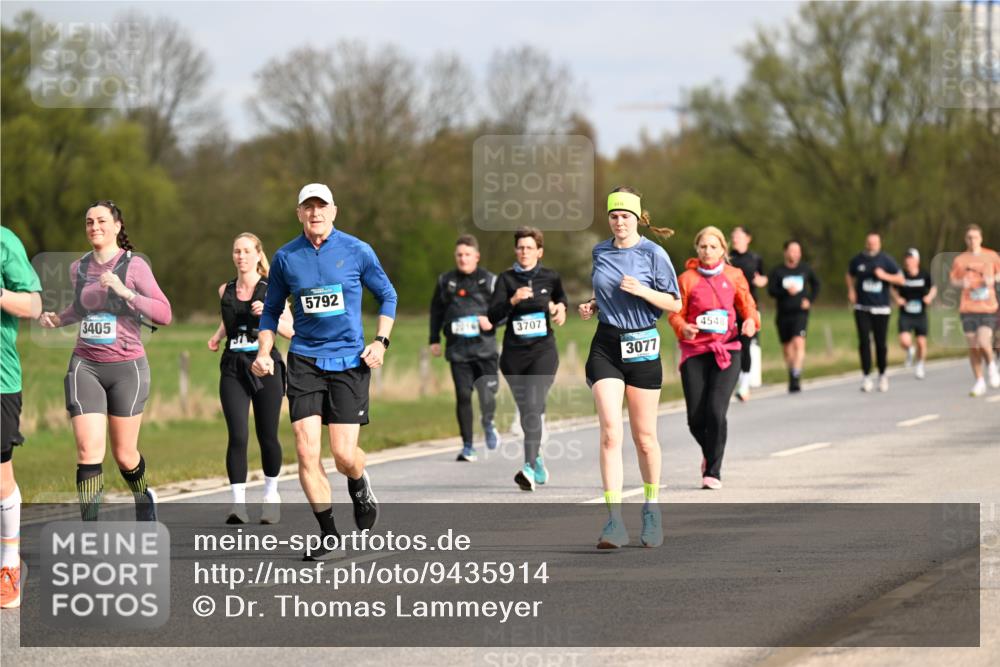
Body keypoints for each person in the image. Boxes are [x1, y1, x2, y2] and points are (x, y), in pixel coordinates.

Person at [252, 184, 396, 561]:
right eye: (308, 207)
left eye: (321, 206)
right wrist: (265, 349)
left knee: (344, 455)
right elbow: (270, 311)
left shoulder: (357, 250)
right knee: (305, 450)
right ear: (299, 213)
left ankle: (359, 480)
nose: (315, 213)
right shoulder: (285, 258)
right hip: (304, 361)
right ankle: (328, 534)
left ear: (334, 210)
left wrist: (381, 341)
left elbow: (389, 295)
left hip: (350, 361)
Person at [39, 201, 172, 522]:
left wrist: (127, 293)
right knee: (88, 452)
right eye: (89, 222)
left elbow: (164, 314)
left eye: (101, 221)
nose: (94, 227)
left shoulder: (135, 266)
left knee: (125, 456)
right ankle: (92, 532)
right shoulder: (79, 268)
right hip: (86, 365)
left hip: (127, 368)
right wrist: (58, 319)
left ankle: (143, 496)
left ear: (116, 225)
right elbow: (82, 308)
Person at [579, 187, 680, 549]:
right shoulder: (600, 251)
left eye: (625, 216)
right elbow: (607, 291)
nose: (619, 222)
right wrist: (593, 304)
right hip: (606, 344)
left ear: (637, 218)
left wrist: (643, 292)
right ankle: (613, 521)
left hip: (643, 346)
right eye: (614, 216)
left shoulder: (654, 254)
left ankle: (652, 510)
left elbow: (675, 304)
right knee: (609, 433)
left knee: (645, 439)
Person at [208, 233, 295, 524]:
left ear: (259, 255)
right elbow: (228, 314)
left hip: (266, 366)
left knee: (266, 434)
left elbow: (290, 331)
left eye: (247, 251)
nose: (241, 256)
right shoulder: (225, 289)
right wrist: (218, 336)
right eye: (237, 251)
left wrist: (268, 314)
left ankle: (271, 496)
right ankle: (238, 505)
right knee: (237, 435)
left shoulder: (272, 289)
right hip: (233, 366)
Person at [668, 226, 759, 490]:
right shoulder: (686, 279)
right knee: (696, 418)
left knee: (716, 411)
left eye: (713, 247)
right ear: (697, 249)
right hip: (695, 352)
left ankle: (713, 471)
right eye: (703, 246)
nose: (708, 251)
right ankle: (711, 452)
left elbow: (748, 306)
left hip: (727, 350)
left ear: (723, 250)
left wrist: (751, 322)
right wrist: (682, 327)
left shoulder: (734, 275)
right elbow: (675, 312)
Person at [488, 227, 567, 492]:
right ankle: (538, 458)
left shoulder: (550, 277)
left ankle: (528, 468)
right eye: (520, 247)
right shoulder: (506, 279)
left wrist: (559, 310)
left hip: (543, 353)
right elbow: (492, 317)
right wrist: (512, 300)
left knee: (532, 406)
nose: (524, 252)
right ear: (515, 250)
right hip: (513, 357)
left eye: (529, 248)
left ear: (539, 251)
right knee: (527, 412)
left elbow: (561, 301)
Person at [429, 235, 501, 462]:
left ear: (476, 257)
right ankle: (468, 446)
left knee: (488, 395)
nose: (463, 258)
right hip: (458, 350)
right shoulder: (445, 281)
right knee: (462, 395)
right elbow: (436, 312)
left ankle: (488, 422)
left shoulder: (490, 280)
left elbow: (504, 309)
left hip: (485, 350)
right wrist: (434, 339)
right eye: (459, 254)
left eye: (467, 254)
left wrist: (492, 321)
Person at [0, 228, 42, 609]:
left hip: (0, 379)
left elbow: (33, 306)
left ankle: (9, 564)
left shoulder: (4, 241)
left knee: (0, 476)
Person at [846, 232, 904, 393]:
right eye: (870, 242)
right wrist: (851, 290)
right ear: (866, 243)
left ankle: (882, 374)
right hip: (862, 307)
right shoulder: (858, 260)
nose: (872, 245)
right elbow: (849, 274)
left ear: (880, 244)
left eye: (875, 243)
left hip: (881, 308)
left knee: (880, 343)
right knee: (864, 342)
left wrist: (884, 276)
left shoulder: (886, 260)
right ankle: (866, 376)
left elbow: (901, 279)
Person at [948, 225, 1000, 396]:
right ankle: (979, 380)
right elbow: (953, 280)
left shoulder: (991, 255)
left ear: (981, 238)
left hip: (987, 307)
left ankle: (992, 367)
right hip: (968, 307)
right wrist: (960, 283)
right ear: (965, 239)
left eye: (975, 237)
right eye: (969, 237)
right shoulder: (960, 260)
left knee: (984, 341)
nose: (972, 241)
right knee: (973, 346)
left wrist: (991, 279)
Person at [767, 240, 820, 392]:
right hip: (783, 314)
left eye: (798, 251)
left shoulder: (805, 269)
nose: (795, 254)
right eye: (792, 251)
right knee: (787, 348)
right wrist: (785, 291)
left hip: (800, 313)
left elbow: (817, 285)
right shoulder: (778, 271)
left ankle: (796, 375)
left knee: (798, 342)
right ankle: (792, 373)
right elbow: (771, 291)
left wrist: (809, 300)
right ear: (785, 252)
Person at [729, 226, 767, 401]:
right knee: (730, 346)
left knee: (746, 345)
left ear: (748, 238)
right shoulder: (727, 258)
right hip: (728, 308)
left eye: (739, 235)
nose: (735, 238)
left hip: (748, 308)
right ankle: (731, 381)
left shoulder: (755, 258)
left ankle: (744, 385)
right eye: (733, 235)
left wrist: (761, 281)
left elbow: (764, 277)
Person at [893, 248, 936, 380]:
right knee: (904, 341)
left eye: (911, 258)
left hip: (920, 314)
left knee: (922, 343)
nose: (908, 261)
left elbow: (934, 287)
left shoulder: (924, 275)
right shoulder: (901, 275)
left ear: (917, 260)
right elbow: (892, 288)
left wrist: (929, 297)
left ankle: (920, 365)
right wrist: (897, 299)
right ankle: (910, 350)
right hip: (906, 313)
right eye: (907, 258)